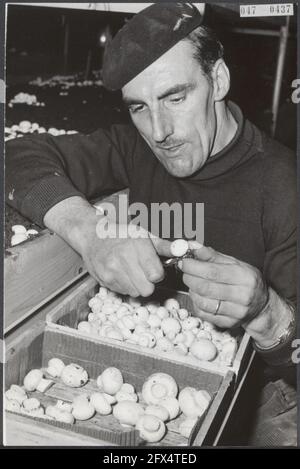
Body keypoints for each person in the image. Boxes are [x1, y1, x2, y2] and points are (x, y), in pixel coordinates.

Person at [5, 3, 297, 445]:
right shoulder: (134, 148)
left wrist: (268, 313)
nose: (159, 131)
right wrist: (90, 231)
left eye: (176, 97)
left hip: (264, 394)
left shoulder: (285, 187)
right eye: (139, 107)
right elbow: (18, 157)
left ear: (217, 80)